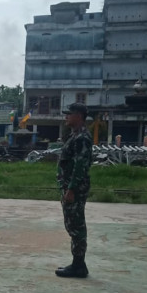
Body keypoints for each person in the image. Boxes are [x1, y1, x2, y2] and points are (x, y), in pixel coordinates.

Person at [55, 102, 93, 279]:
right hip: (70, 187)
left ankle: (78, 265)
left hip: (75, 189)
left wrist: (71, 189)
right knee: (72, 225)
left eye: (69, 114)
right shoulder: (75, 136)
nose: (66, 117)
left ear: (79, 116)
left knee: (76, 226)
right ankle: (78, 264)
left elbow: (81, 166)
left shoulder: (82, 138)